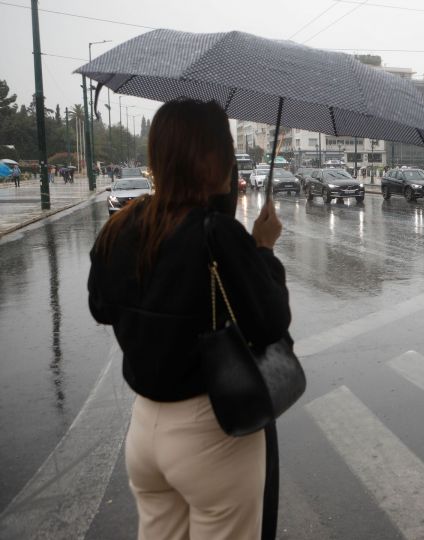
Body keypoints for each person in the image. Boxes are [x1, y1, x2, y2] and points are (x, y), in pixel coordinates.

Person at [87, 99, 289, 540]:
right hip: (212, 430)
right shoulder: (215, 232)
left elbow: (100, 307)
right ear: (212, 160)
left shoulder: (121, 227)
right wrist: (263, 250)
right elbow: (271, 323)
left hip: (145, 431)